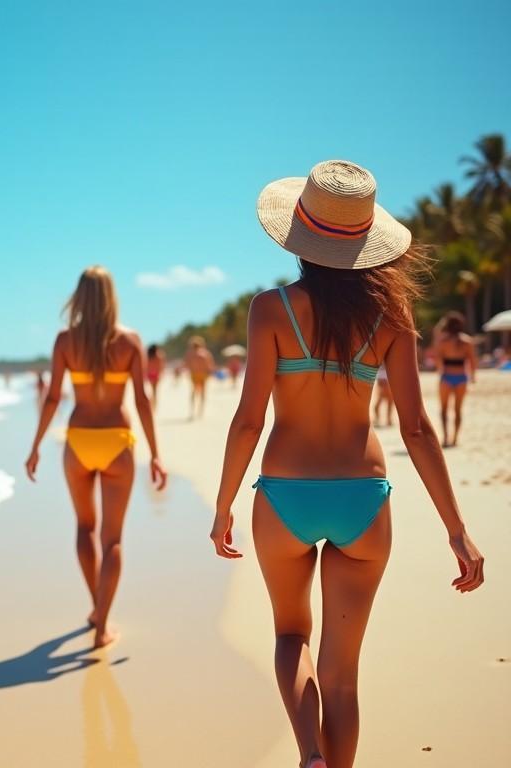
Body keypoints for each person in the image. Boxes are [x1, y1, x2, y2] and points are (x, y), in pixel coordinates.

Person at [211, 161, 484, 768]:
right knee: (343, 677)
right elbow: (416, 427)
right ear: (367, 244)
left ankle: (309, 754)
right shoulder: (392, 318)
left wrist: (226, 503)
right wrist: (456, 529)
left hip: (285, 494)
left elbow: (249, 419)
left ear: (299, 238)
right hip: (363, 498)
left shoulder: (270, 310)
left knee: (290, 636)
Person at [26, 266, 167, 649]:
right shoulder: (129, 340)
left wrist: (36, 444)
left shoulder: (65, 341)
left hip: (78, 442)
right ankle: (102, 625)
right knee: (113, 539)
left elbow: (53, 397)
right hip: (118, 442)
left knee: (84, 527)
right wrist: (155, 454)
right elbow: (141, 400)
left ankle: (95, 605)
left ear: (80, 296)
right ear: (112, 296)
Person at [432, 311, 477, 447]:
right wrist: (473, 376)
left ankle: (445, 438)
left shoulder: (442, 341)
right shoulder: (467, 341)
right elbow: (472, 361)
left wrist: (441, 371)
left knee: (444, 409)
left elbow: (438, 361)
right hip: (461, 377)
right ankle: (455, 439)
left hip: (446, 377)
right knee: (458, 409)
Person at [183, 336, 215, 419]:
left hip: (195, 374)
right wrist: (210, 372)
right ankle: (200, 411)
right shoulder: (206, 353)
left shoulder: (190, 353)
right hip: (203, 374)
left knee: (194, 392)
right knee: (202, 393)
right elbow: (210, 365)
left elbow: (186, 365)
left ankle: (193, 411)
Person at [145, 344, 166, 409]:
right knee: (155, 391)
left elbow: (146, 366)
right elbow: (161, 366)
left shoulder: (148, 356)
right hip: (156, 374)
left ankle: (152, 404)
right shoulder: (159, 355)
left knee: (152, 390)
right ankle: (154, 405)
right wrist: (161, 373)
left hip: (150, 374)